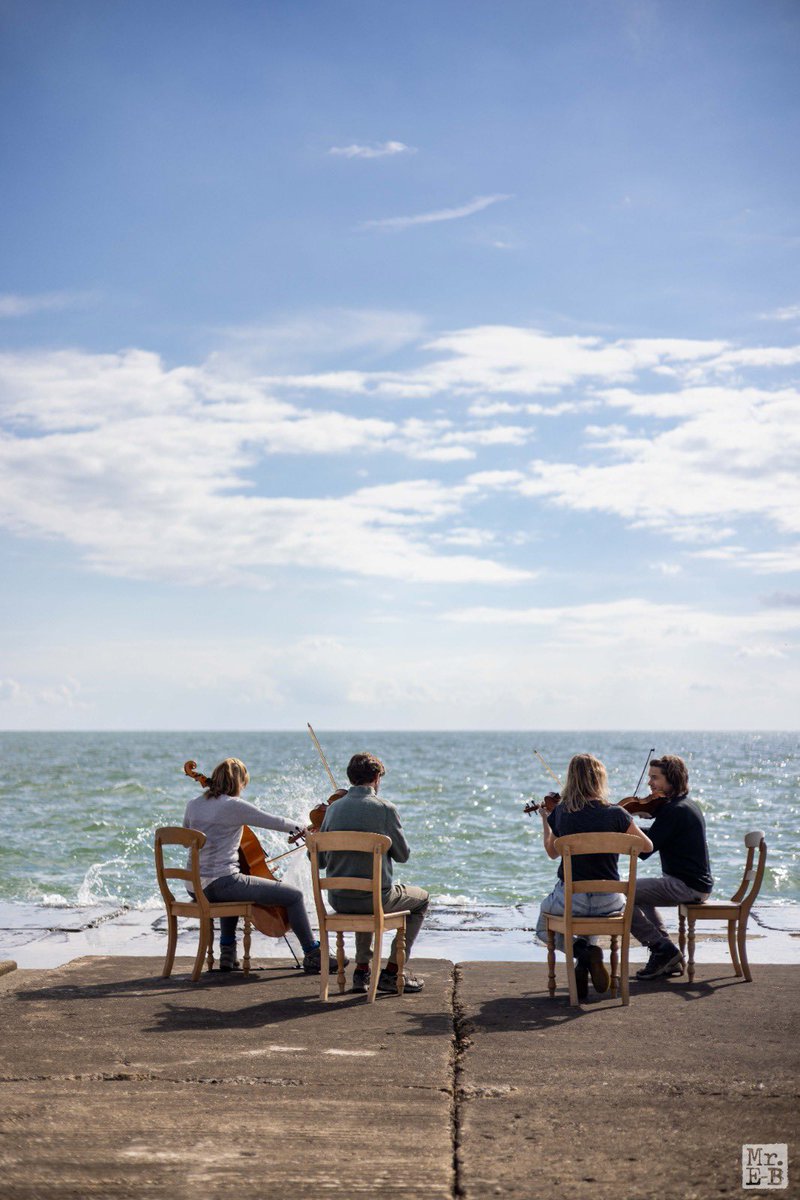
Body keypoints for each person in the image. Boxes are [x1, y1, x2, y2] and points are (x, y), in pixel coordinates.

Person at [183, 757, 341, 974]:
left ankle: (227, 955)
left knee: (231, 887)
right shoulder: (233, 806)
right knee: (293, 896)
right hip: (218, 885)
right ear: (238, 783)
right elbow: (272, 821)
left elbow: (186, 841)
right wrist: (303, 829)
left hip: (193, 886)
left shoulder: (193, 805)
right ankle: (312, 953)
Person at [535, 753, 653, 1001]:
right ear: (600, 780)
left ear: (572, 780)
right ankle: (587, 956)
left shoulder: (563, 813)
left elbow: (551, 853)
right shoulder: (618, 814)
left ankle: (583, 952)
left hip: (572, 901)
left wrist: (546, 821)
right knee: (591, 917)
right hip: (609, 902)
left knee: (543, 928)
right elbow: (647, 847)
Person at [318, 751, 429, 995]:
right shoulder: (385, 809)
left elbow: (319, 861)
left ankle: (362, 972)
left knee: (363, 887)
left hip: (338, 898)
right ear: (377, 777)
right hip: (373, 900)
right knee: (421, 899)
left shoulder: (333, 810)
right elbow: (403, 855)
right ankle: (392, 971)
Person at [627, 755, 713, 980]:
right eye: (649, 777)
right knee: (638, 893)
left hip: (687, 887)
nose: (650, 783)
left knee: (625, 893)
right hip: (693, 885)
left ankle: (662, 949)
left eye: (655, 778)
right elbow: (656, 835)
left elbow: (646, 849)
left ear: (672, 779)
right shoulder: (682, 805)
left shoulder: (674, 811)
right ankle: (665, 951)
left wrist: (625, 825)